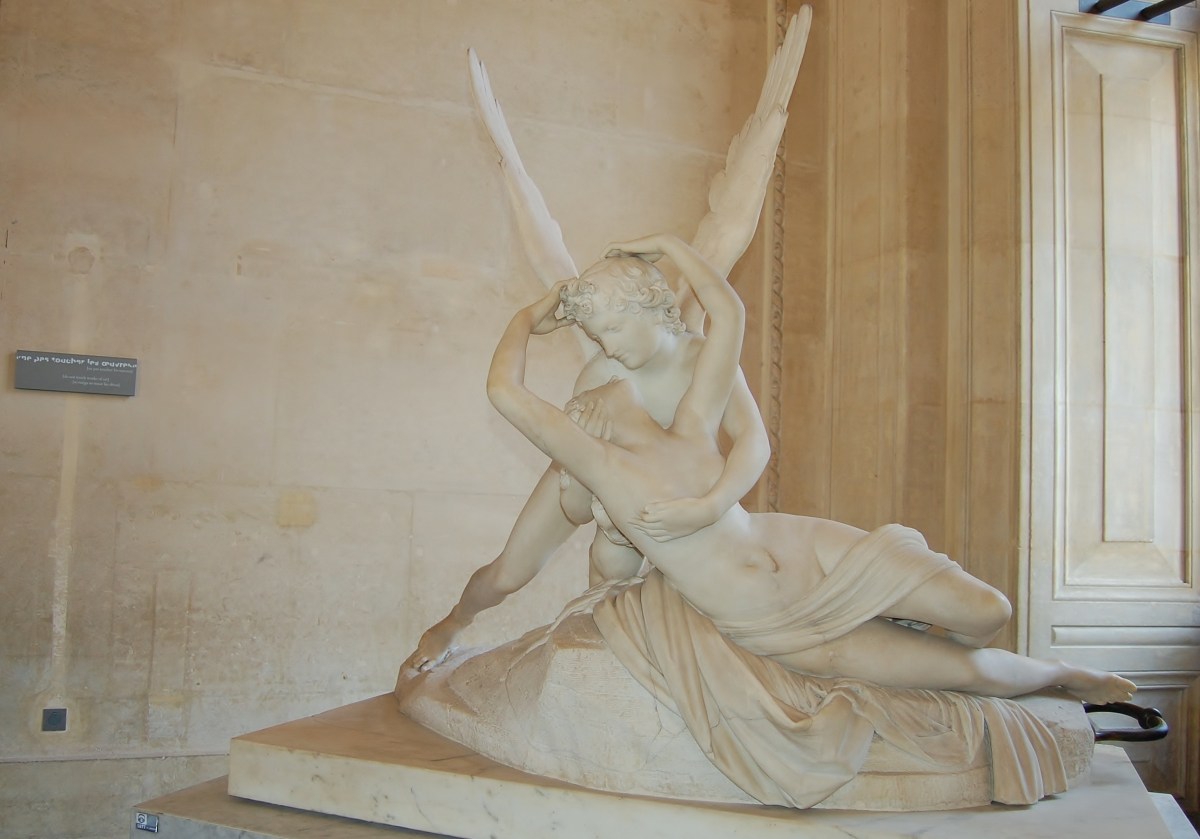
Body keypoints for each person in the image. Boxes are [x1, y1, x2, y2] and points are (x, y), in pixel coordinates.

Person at [484, 231, 1136, 705]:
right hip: (779, 623)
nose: (607, 373)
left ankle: (927, 632)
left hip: (803, 549)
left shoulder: (689, 423)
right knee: (969, 673)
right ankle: (1059, 676)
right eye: (593, 389)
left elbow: (730, 314)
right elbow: (506, 393)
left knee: (989, 610)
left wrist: (671, 246)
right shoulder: (603, 470)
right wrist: (524, 317)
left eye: (610, 345)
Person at [404, 254, 770, 672]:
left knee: (644, 588)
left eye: (613, 329)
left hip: (664, 491)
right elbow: (579, 499)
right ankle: (455, 621)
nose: (609, 347)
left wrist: (715, 503)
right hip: (593, 480)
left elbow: (754, 440)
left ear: (648, 306)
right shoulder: (600, 377)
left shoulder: (702, 360)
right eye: (598, 337)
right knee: (507, 574)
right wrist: (603, 509)